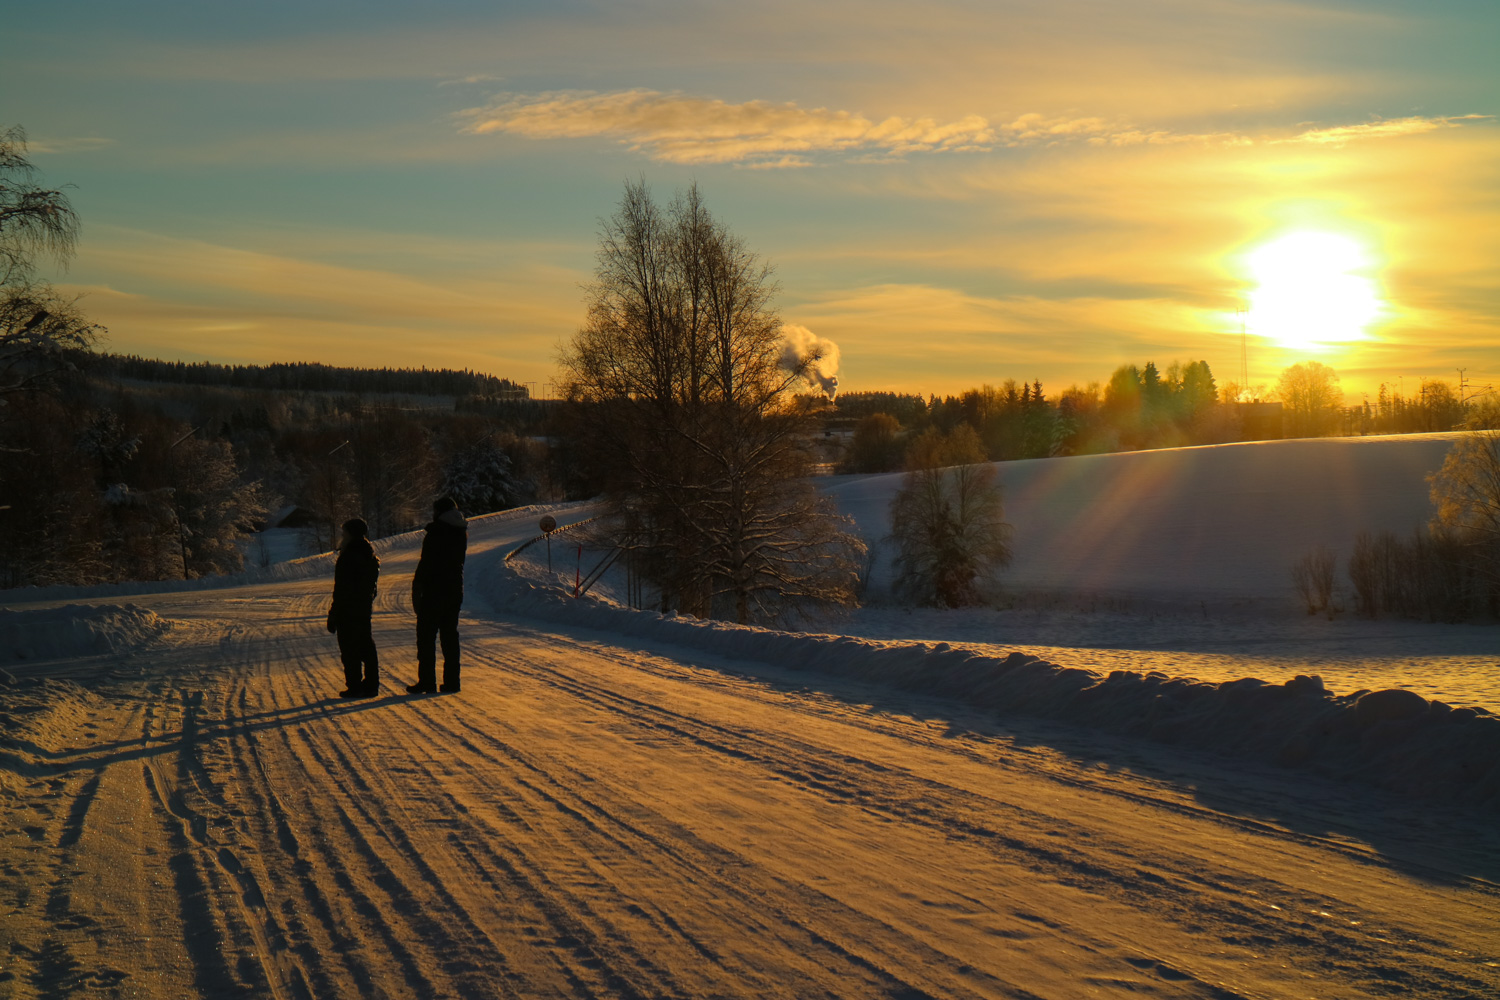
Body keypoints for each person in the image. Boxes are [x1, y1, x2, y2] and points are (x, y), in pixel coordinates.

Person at [407, 496, 467, 694]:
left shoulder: (436, 532)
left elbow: (427, 563)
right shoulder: (460, 531)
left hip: (434, 590)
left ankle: (427, 681)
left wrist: (418, 585)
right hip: (454, 590)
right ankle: (452, 682)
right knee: (449, 636)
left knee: (426, 637)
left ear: (439, 512)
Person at [327, 517, 380, 698]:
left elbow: (341, 588)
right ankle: (372, 684)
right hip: (363, 608)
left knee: (349, 648)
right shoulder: (369, 555)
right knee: (366, 645)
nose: (342, 536)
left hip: (347, 609)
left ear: (350, 534)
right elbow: (372, 587)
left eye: (344, 532)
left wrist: (334, 614)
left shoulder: (348, 556)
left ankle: (355, 686)